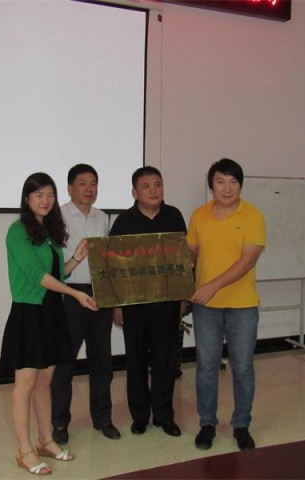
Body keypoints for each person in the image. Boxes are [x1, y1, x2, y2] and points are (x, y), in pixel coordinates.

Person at [0, 172, 98, 476]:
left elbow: (59, 273)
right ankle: (24, 450)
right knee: (25, 384)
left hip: (52, 312)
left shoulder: (51, 232)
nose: (45, 200)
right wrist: (76, 294)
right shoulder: (17, 231)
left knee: (45, 382)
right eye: (38, 194)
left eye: (50, 195)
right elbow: (36, 276)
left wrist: (77, 258)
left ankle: (45, 440)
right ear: (27, 199)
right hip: (30, 313)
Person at [186, 158, 266, 452]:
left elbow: (247, 261)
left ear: (240, 185)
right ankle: (207, 424)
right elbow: (191, 251)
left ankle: (241, 425)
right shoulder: (199, 215)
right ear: (212, 185)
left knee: (242, 368)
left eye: (233, 182)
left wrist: (212, 286)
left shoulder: (253, 215)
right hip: (205, 308)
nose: (227, 188)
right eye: (221, 181)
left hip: (242, 305)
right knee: (206, 367)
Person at [109, 166, 187, 437]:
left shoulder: (174, 216)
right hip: (134, 305)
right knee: (136, 362)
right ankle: (140, 416)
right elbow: (114, 266)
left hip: (167, 303)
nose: (153, 190)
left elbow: (181, 260)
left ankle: (164, 416)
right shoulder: (123, 222)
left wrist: (182, 297)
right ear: (134, 192)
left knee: (165, 361)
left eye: (158, 184)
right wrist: (117, 304)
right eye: (146, 186)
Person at [50, 164, 120, 444]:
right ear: (69, 188)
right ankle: (59, 423)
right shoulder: (57, 217)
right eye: (82, 183)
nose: (89, 189)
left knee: (102, 362)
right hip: (69, 295)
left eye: (93, 183)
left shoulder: (102, 218)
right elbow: (53, 264)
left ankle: (103, 419)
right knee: (64, 364)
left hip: (99, 294)